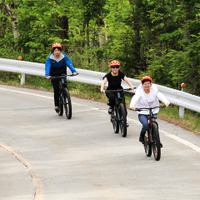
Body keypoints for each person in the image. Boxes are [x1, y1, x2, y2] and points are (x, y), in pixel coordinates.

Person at [130, 76, 170, 144]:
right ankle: (142, 136)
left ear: (151, 84)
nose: (147, 85)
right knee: (145, 125)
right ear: (142, 85)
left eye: (148, 83)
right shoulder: (140, 92)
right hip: (142, 112)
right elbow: (135, 98)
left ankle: (157, 141)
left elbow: (160, 95)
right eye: (145, 84)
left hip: (153, 110)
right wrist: (132, 105)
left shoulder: (154, 90)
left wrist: (166, 102)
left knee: (155, 125)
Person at [45, 43, 78, 112]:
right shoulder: (50, 58)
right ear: (53, 51)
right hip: (53, 74)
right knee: (56, 90)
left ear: (60, 51)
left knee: (64, 85)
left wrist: (74, 71)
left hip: (62, 72)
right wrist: (47, 75)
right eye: (55, 50)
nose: (57, 52)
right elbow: (47, 66)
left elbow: (69, 64)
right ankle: (57, 105)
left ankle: (66, 95)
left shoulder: (64, 57)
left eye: (58, 50)